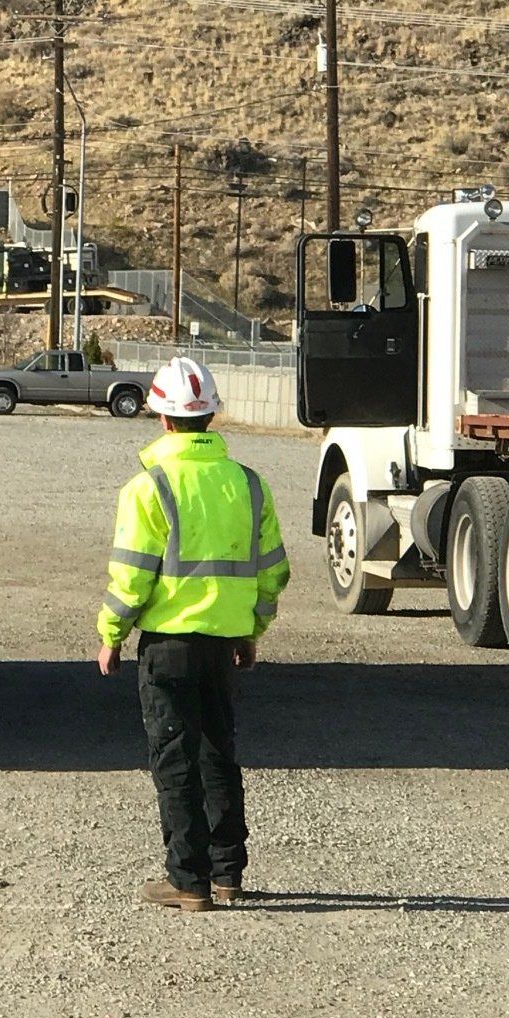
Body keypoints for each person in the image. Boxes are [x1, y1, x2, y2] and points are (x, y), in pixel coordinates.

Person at [96, 355, 289, 913]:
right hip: (225, 641)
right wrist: (252, 629)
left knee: (175, 760)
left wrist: (111, 633)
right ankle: (228, 874)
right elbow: (272, 570)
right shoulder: (248, 484)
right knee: (218, 754)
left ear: (160, 417)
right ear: (212, 418)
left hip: (168, 644)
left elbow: (132, 576)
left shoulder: (148, 486)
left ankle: (188, 880)